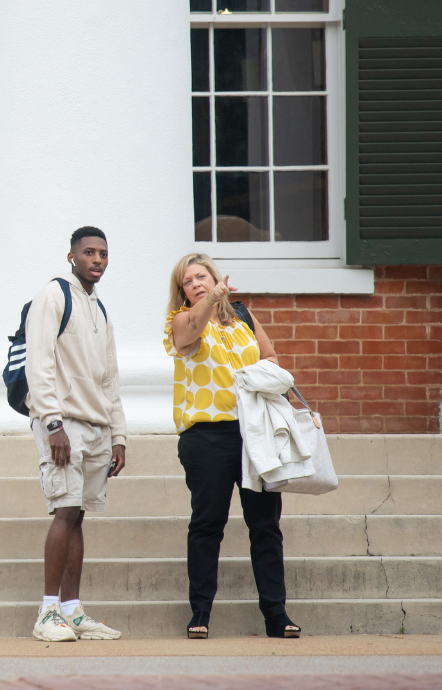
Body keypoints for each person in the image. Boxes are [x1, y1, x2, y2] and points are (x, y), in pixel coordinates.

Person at [162, 253, 302, 639]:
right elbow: (191, 329)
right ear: (183, 291)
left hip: (253, 431)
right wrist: (212, 297)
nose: (195, 283)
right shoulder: (182, 320)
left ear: (213, 275)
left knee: (266, 526)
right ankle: (200, 612)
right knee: (208, 525)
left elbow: (269, 356)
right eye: (188, 282)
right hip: (207, 438)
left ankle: (276, 615)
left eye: (201, 276)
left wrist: (261, 377)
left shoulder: (241, 315)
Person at [25, 226, 127, 642]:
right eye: (89, 252)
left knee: (79, 515)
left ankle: (72, 610)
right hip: (63, 423)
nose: (97, 259)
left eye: (103, 253)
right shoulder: (53, 295)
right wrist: (52, 423)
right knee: (65, 510)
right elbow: (39, 362)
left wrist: (119, 434)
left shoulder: (100, 310)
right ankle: (48, 611)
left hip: (97, 426)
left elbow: (110, 379)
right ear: (72, 257)